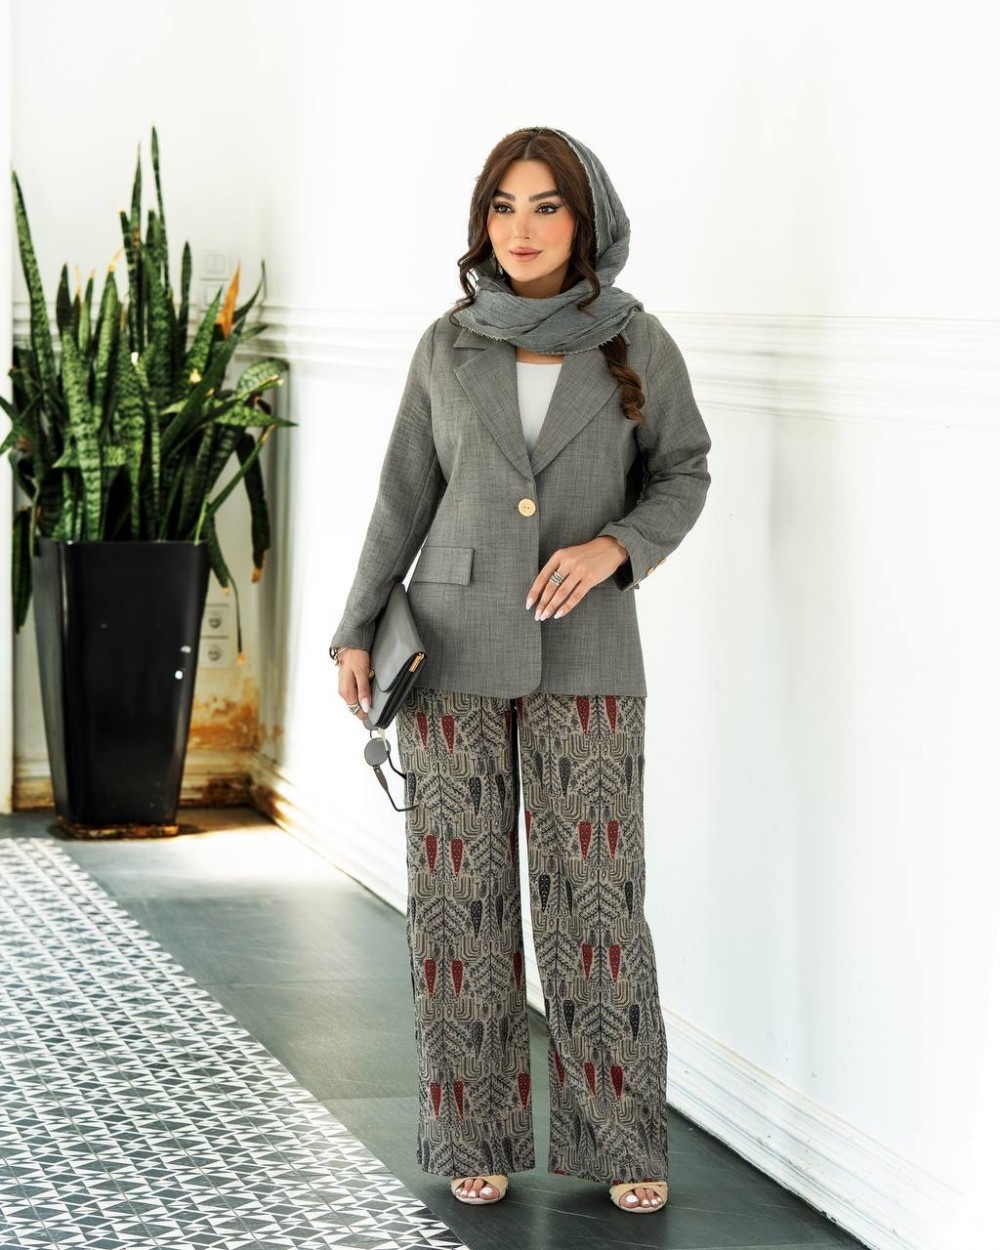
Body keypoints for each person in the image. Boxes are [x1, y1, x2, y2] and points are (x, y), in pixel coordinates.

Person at [330, 127, 711, 1215]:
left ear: (586, 220)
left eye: (546, 206)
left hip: (589, 650)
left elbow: (684, 472)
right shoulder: (448, 342)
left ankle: (620, 1139)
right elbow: (402, 494)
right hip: (449, 652)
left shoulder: (637, 340)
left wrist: (614, 548)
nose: (522, 228)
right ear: (482, 221)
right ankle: (473, 1130)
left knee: (598, 901)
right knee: (460, 903)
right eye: (503, 206)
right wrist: (356, 627)